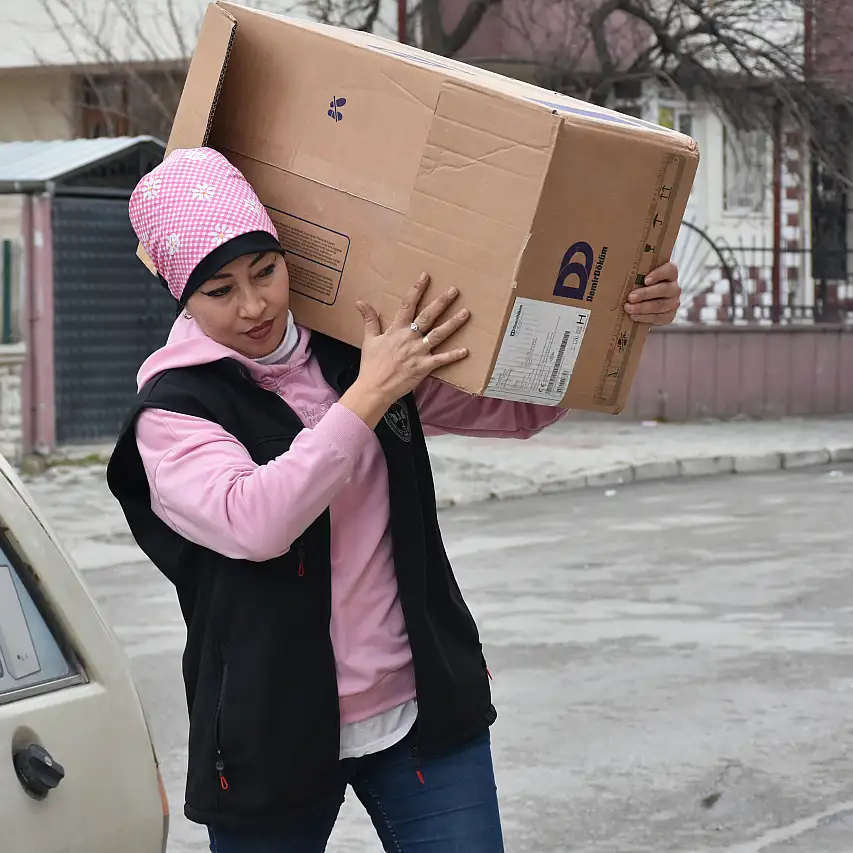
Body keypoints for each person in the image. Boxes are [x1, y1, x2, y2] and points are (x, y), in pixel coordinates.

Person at [107, 147, 682, 853]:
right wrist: (369, 395)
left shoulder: (356, 346)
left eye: (265, 270)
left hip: (420, 712)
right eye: (219, 290)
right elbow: (256, 521)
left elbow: (520, 408)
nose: (254, 304)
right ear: (180, 296)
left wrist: (623, 321)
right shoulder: (175, 410)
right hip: (269, 730)